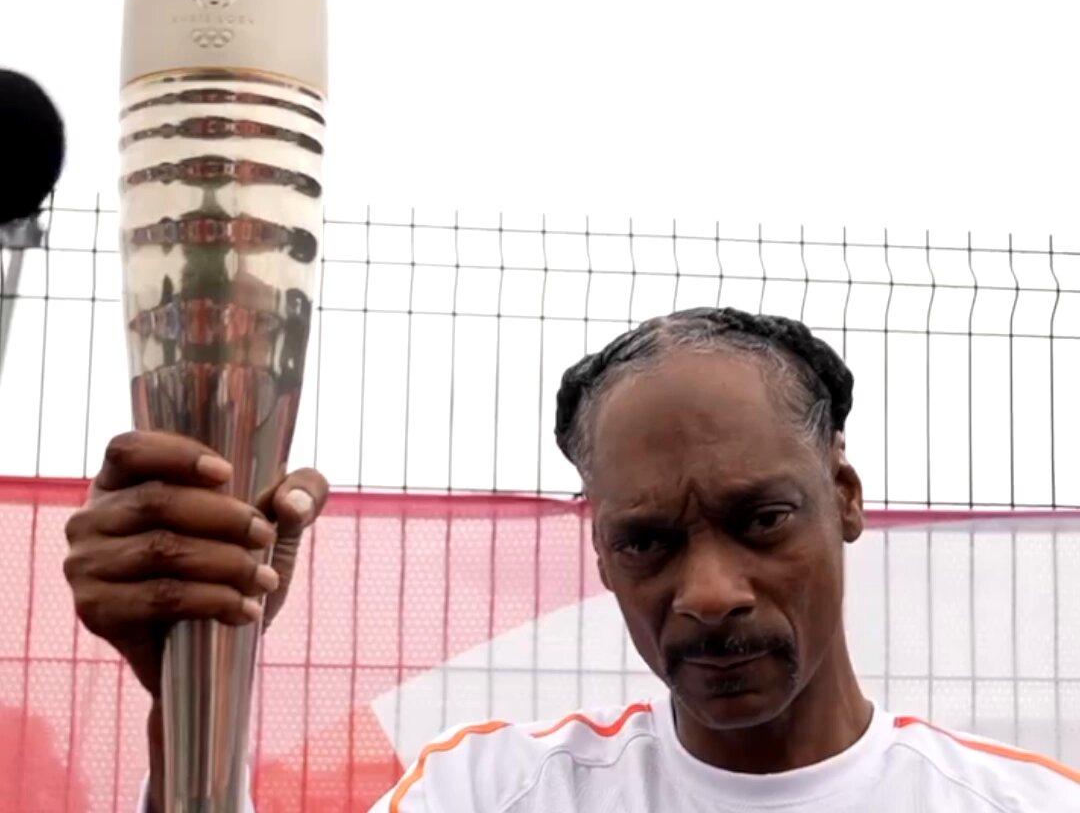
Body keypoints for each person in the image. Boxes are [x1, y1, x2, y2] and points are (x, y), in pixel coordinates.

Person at [64, 307, 1080, 811]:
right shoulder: (490, 794)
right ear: (599, 550)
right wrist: (196, 692)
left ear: (844, 499)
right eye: (646, 542)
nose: (710, 594)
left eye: (762, 520)